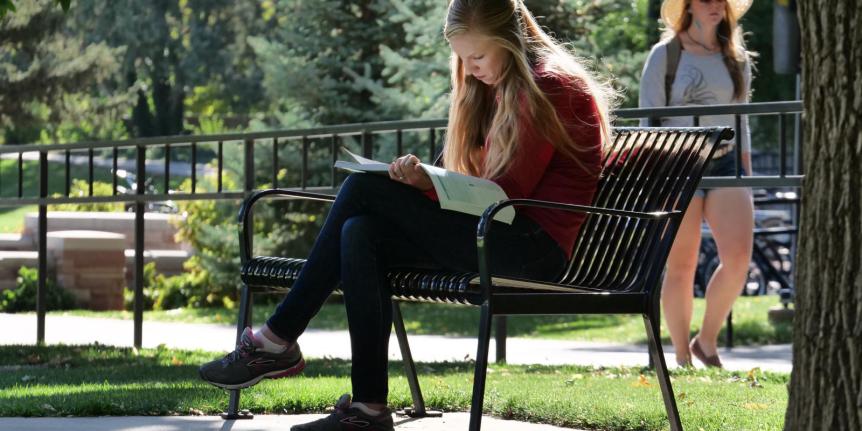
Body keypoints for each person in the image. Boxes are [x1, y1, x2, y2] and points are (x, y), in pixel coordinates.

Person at [199, 0, 616, 429]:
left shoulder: (550, 86)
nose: (470, 69)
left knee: (362, 187)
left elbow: (507, 196)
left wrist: (427, 185)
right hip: (499, 234)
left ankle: (276, 338)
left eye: (478, 56)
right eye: (462, 58)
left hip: (532, 249)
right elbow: (490, 196)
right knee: (361, 232)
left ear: (510, 41)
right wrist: (425, 181)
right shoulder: (503, 86)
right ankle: (368, 409)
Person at [639, 0, 755, 368]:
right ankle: (682, 359)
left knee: (738, 259)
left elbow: (743, 117)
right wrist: (652, 174)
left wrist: (747, 170)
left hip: (726, 161)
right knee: (682, 264)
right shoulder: (664, 56)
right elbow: (648, 119)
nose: (715, 5)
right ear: (687, 6)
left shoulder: (736, 57)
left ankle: (706, 341)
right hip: (677, 164)